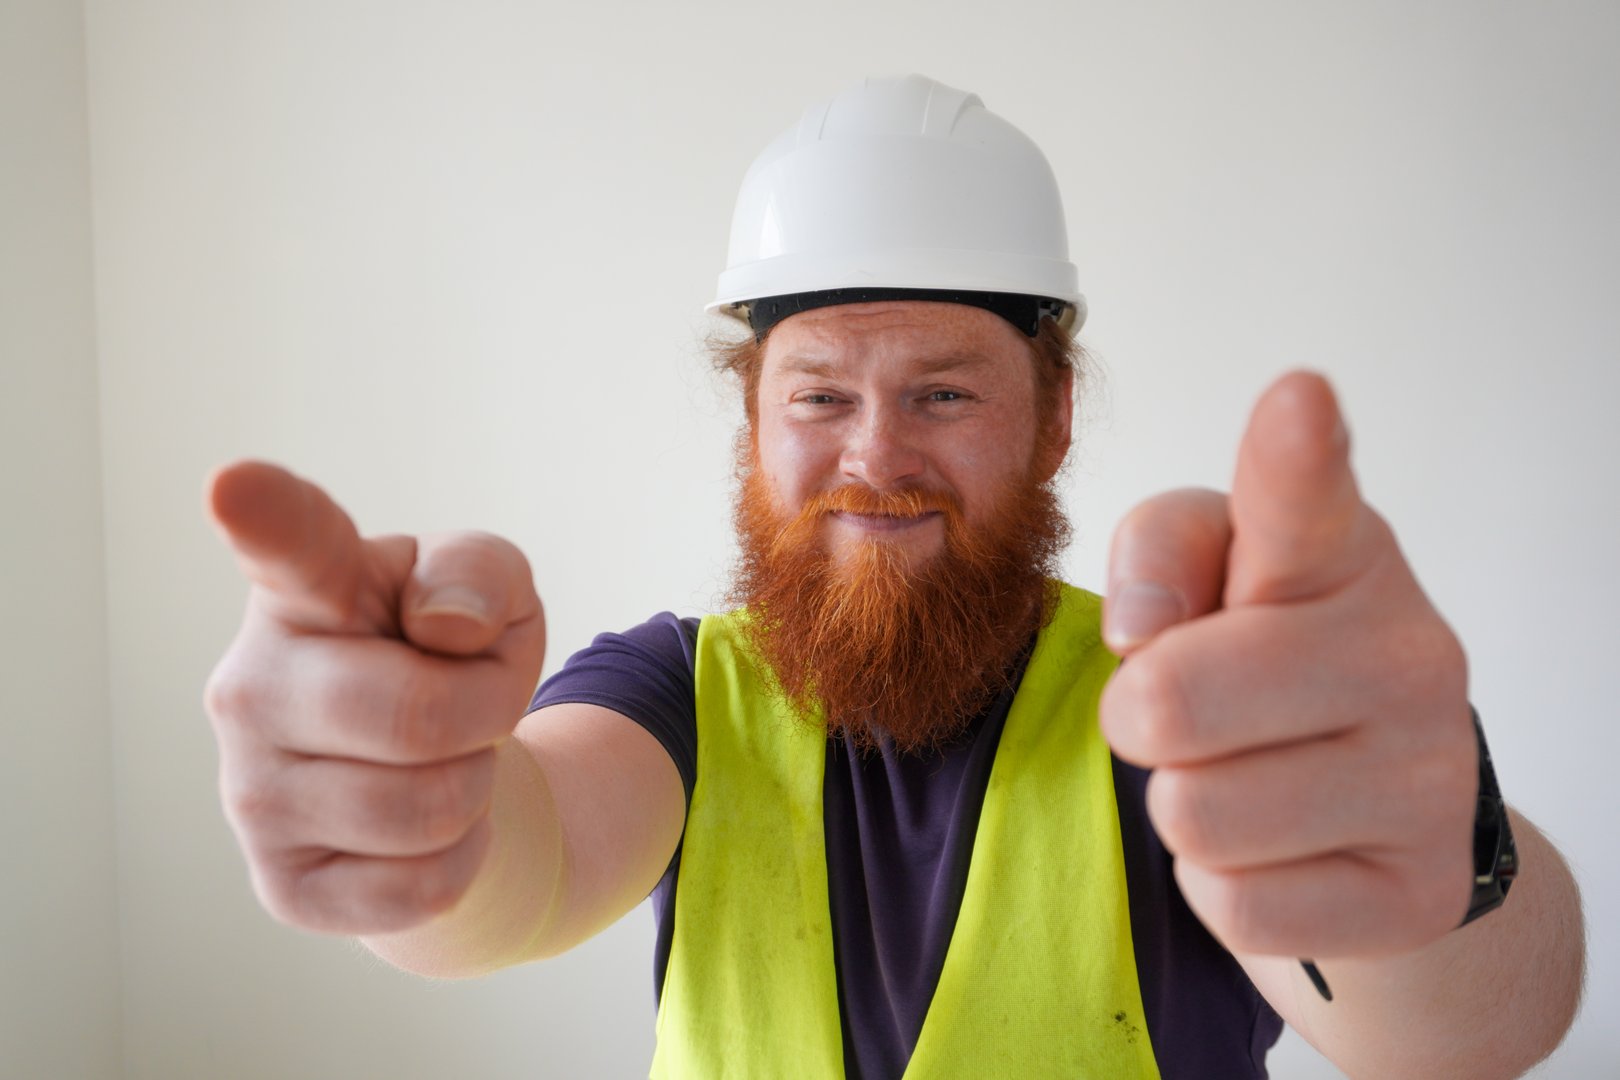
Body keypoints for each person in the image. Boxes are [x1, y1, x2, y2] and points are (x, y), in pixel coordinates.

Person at [203, 76, 1584, 1078]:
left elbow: (1470, 1035)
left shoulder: (1190, 707)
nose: (876, 459)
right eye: (817, 399)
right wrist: (417, 819)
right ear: (752, 426)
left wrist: (1435, 837)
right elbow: (528, 859)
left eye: (941, 393)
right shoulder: (675, 689)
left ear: (1051, 419)